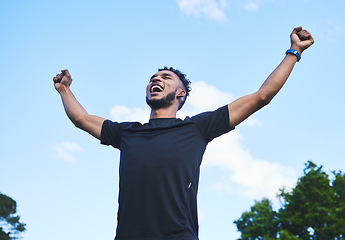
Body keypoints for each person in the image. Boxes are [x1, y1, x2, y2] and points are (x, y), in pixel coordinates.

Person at [53, 26, 314, 240]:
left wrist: (294, 51)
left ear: (181, 94)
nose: (156, 79)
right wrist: (65, 90)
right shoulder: (127, 133)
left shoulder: (197, 128)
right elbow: (81, 118)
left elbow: (261, 96)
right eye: (153, 77)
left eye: (165, 77)